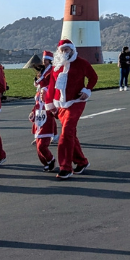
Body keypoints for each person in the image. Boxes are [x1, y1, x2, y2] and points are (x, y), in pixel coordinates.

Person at [45, 39, 99, 178]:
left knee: (66, 133)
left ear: (72, 50)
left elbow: (93, 77)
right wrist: (50, 104)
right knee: (70, 134)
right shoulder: (56, 66)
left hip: (76, 102)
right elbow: (51, 86)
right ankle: (81, 162)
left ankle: (65, 167)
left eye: (67, 49)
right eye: (62, 50)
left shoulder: (81, 63)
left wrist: (87, 90)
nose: (64, 52)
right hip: (60, 104)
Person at [31, 51, 57, 171]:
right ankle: (46, 162)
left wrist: (45, 89)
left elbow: (52, 85)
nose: (44, 61)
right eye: (43, 59)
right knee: (38, 144)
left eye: (46, 59)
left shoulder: (52, 72)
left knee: (42, 144)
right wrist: (33, 111)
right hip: (39, 109)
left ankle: (50, 159)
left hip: (47, 107)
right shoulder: (42, 72)